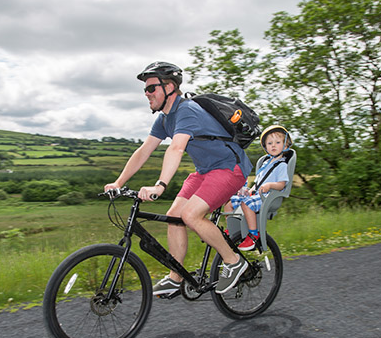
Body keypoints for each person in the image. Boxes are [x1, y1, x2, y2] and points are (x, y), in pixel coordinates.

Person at [104, 61, 253, 296]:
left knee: (190, 215)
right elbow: (143, 151)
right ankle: (176, 277)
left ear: (170, 87)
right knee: (174, 216)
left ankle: (234, 262)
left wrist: (160, 185)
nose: (146, 94)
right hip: (205, 171)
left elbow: (176, 149)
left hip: (229, 168)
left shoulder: (187, 110)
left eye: (151, 88)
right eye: (145, 89)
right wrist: (118, 183)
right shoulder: (164, 119)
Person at [225, 125, 293, 251]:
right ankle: (233, 230)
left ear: (286, 144)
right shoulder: (266, 164)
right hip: (258, 194)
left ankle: (253, 234)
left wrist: (270, 185)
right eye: (269, 143)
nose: (273, 145)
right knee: (229, 203)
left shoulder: (281, 165)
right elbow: (258, 184)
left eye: (278, 142)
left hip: (269, 197)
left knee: (247, 204)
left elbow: (282, 184)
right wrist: (249, 190)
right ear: (265, 146)